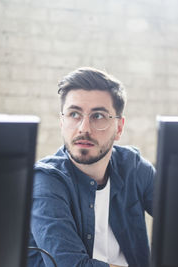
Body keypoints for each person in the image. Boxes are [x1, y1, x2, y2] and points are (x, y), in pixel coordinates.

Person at [27, 67, 155, 267]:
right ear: (62, 121)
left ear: (119, 128)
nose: (84, 128)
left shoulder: (134, 167)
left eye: (98, 116)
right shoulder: (45, 181)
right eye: (74, 114)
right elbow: (72, 265)